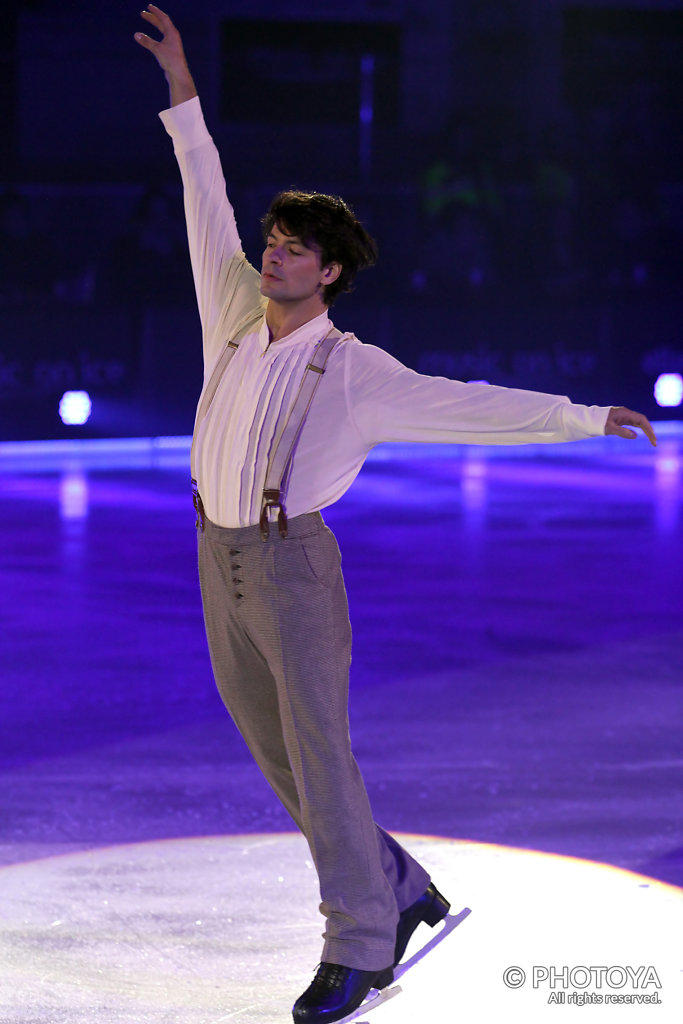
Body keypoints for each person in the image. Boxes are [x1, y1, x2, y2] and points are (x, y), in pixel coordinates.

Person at [135, 8, 657, 1023]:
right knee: (275, 750)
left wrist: (584, 416)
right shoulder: (233, 314)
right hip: (214, 554)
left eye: (293, 250)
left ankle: (359, 946)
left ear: (328, 271)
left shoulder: (354, 370)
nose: (273, 254)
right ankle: (399, 885)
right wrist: (182, 90)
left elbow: (466, 400)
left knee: (319, 753)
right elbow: (204, 195)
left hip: (293, 569)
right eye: (273, 241)